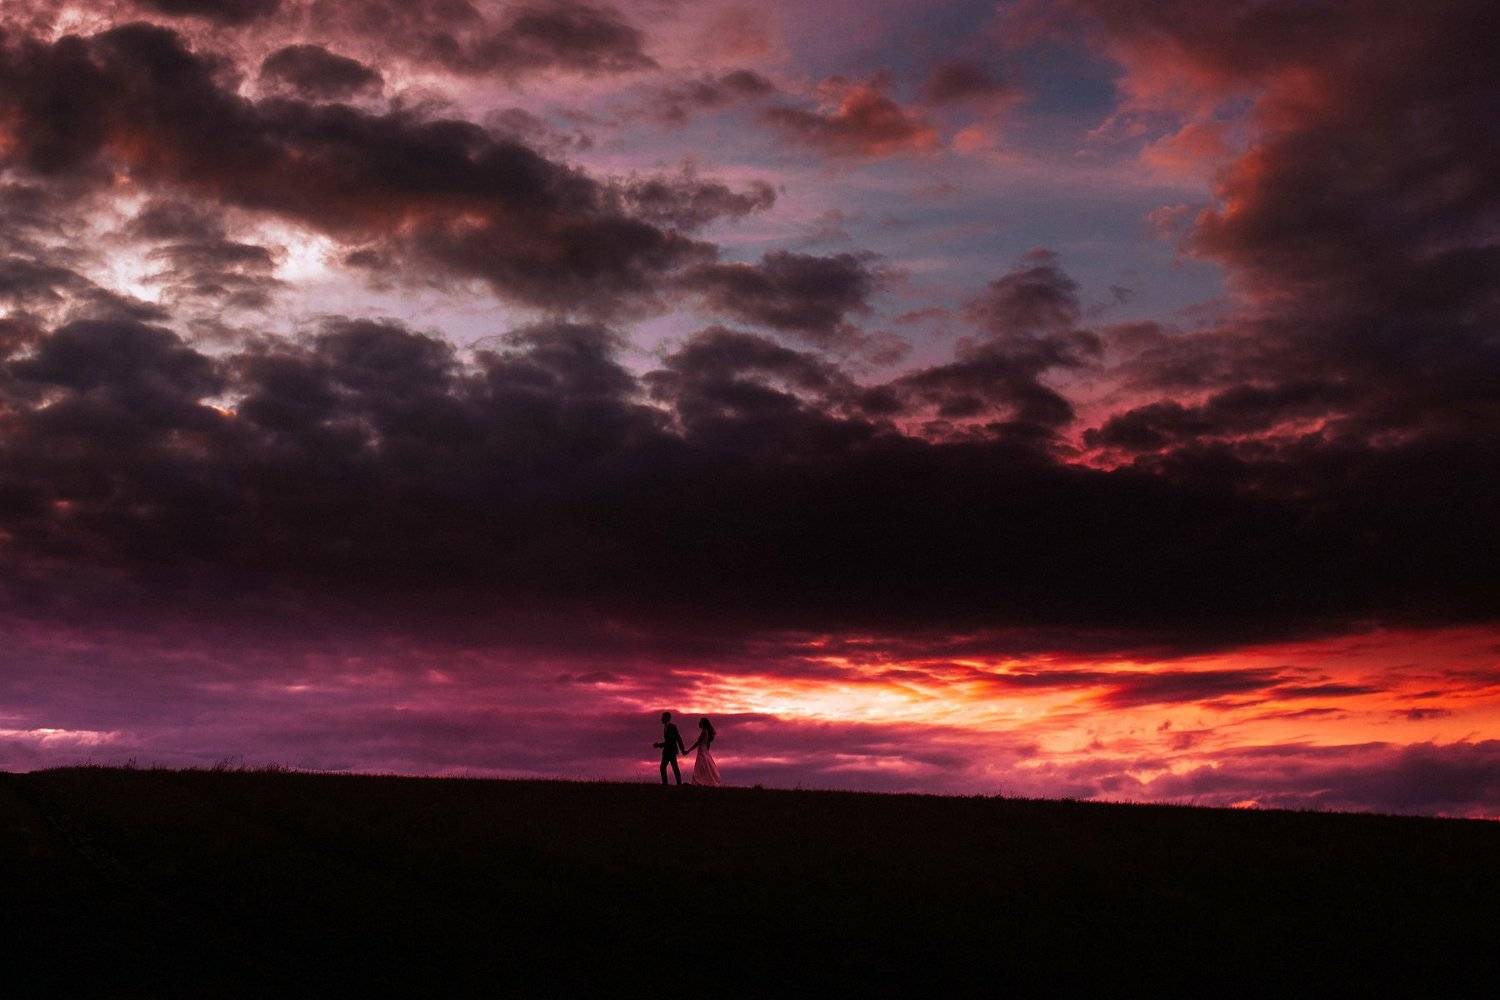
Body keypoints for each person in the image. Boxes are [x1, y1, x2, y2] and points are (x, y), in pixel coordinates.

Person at [684, 717, 721, 787]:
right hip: (704, 751)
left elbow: (698, 743)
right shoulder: (706, 732)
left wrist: (689, 750)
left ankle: (701, 781)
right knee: (704, 767)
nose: (699, 723)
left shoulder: (704, 732)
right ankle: (702, 781)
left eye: (700, 722)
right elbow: (707, 744)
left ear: (703, 723)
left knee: (701, 767)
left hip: (702, 752)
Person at [653, 711, 686, 785]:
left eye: (663, 717)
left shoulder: (672, 727)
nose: (661, 719)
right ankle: (667, 783)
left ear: (667, 718)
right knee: (665, 767)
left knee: (672, 767)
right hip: (667, 751)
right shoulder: (666, 727)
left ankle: (677, 783)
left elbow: (677, 738)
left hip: (671, 751)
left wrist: (682, 749)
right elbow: (672, 740)